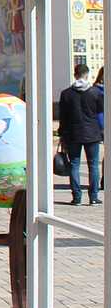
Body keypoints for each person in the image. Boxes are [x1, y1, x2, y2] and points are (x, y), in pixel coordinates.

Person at [59, 62, 103, 206]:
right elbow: (100, 113)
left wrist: (62, 133)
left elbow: (63, 116)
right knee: (93, 165)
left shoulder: (66, 94)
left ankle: (77, 197)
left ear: (75, 74)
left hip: (73, 134)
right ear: (87, 74)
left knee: (74, 165)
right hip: (92, 133)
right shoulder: (95, 93)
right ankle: (94, 197)